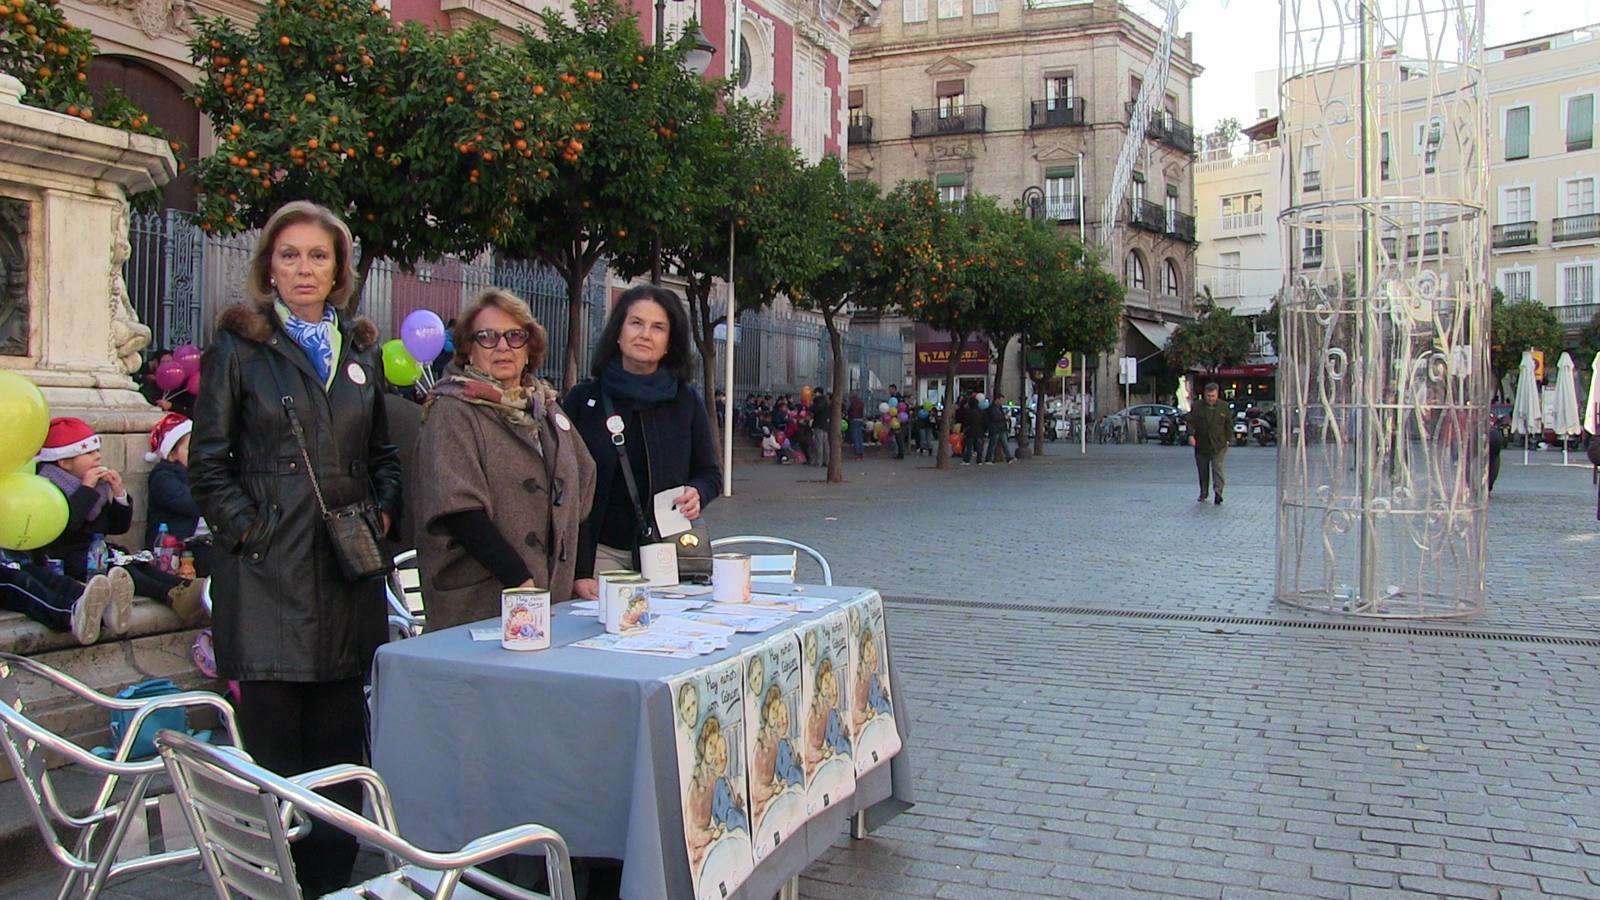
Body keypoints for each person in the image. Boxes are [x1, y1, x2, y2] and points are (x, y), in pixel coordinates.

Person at [189, 200, 402, 896]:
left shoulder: (361, 348)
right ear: (269, 268)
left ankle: (332, 884)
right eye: (290, 255)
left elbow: (384, 456)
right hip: (266, 580)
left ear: (339, 267)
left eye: (318, 255)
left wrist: (383, 514)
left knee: (340, 753)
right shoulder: (239, 349)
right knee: (275, 758)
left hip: (346, 574)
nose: (304, 268)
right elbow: (209, 463)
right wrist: (248, 531)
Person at [413, 289, 595, 630]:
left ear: (529, 349)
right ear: (468, 349)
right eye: (487, 337)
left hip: (547, 600)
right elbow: (460, 511)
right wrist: (521, 581)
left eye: (514, 336)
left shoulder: (546, 407)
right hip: (480, 604)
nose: (502, 347)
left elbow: (581, 491)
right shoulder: (451, 409)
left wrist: (581, 574)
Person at [565, 286, 721, 598]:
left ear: (669, 342)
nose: (645, 334)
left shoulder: (686, 400)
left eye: (658, 327)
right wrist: (579, 569)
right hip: (599, 553)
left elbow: (710, 474)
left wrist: (697, 493)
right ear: (618, 333)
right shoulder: (584, 400)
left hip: (667, 551)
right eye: (636, 323)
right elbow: (565, 484)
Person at [32, 417, 201, 628]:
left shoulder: (96, 488)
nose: (98, 457)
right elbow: (67, 525)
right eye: (89, 454)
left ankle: (188, 589)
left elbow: (117, 527)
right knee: (123, 572)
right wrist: (85, 490)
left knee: (138, 564)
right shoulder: (50, 487)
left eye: (97, 451)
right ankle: (171, 595)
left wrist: (119, 494)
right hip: (67, 556)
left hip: (96, 548)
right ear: (65, 463)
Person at [1188, 381, 1231, 505]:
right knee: (1203, 469)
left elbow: (1228, 424)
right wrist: (1191, 435)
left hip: (1219, 444)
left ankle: (1218, 493)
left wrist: (1228, 440)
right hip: (1201, 444)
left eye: (1213, 396)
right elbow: (1190, 422)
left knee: (1217, 468)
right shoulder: (1196, 406)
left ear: (1217, 395)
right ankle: (1203, 492)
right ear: (1204, 394)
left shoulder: (1224, 406)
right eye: (1208, 396)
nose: (1211, 398)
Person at [987, 392, 1013, 464]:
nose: (1002, 402)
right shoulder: (992, 408)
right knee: (992, 445)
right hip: (995, 429)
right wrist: (1004, 417)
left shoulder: (1000, 408)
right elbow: (993, 417)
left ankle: (1009, 458)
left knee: (1005, 444)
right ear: (997, 400)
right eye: (1001, 400)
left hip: (1001, 429)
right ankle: (988, 459)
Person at [847, 393, 866, 459]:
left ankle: (857, 453)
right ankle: (861, 453)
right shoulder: (861, 403)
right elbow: (863, 412)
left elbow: (849, 412)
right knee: (860, 438)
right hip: (860, 420)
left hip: (854, 420)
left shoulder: (852, 404)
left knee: (855, 438)